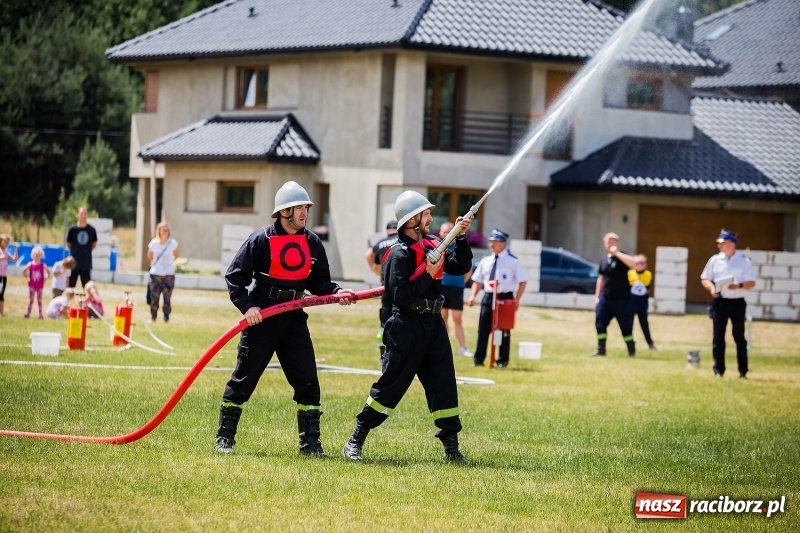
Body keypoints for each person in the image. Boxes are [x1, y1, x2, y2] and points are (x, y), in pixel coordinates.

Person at [214, 181, 356, 457]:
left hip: (294, 319)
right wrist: (248, 308)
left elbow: (320, 283)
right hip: (263, 318)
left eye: (306, 207)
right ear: (284, 212)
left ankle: (310, 445)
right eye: (299, 207)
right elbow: (235, 277)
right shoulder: (260, 240)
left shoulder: (312, 242)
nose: (304, 213)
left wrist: (337, 291)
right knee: (243, 380)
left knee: (307, 381)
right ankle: (224, 439)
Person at [342, 191, 473, 463]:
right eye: (426, 214)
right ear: (412, 219)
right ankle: (356, 438)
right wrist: (428, 274)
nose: (430, 218)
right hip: (407, 326)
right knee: (391, 385)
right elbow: (400, 296)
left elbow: (460, 266)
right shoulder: (398, 254)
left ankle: (451, 448)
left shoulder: (434, 244)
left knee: (444, 384)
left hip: (434, 326)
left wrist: (460, 238)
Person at [700, 229, 757, 379]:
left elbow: (751, 282)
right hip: (720, 302)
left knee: (739, 336)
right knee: (718, 337)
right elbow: (705, 278)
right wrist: (712, 288)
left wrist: (738, 285)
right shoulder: (715, 260)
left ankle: (743, 371)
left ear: (731, 244)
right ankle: (718, 370)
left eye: (722, 243)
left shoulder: (744, 261)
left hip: (737, 302)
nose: (719, 246)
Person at [467, 229, 528, 368]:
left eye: (494, 241)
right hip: (488, 297)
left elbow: (522, 281)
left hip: (505, 297)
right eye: (490, 241)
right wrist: (473, 295)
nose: (491, 244)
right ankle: (478, 359)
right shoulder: (486, 261)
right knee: (483, 329)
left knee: (503, 329)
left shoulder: (513, 261)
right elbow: (478, 281)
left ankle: (502, 360)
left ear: (503, 243)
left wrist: (516, 300)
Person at [591, 232, 638, 357]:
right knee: (600, 323)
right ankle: (601, 350)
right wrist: (597, 297)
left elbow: (635, 264)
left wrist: (617, 253)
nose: (610, 244)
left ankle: (631, 350)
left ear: (618, 243)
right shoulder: (603, 260)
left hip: (622, 299)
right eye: (608, 242)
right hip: (606, 298)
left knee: (625, 326)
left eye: (613, 242)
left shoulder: (623, 256)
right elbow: (600, 278)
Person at [365, 219, 398, 368]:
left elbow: (368, 254)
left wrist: (378, 273)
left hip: (385, 290)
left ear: (387, 231)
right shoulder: (404, 241)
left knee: (384, 324)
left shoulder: (380, 244)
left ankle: (383, 357)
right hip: (403, 288)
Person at [439, 221, 473, 358]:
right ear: (440, 233)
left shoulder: (459, 247)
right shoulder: (439, 247)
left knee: (457, 318)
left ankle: (463, 347)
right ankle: (443, 346)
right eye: (445, 232)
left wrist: (461, 282)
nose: (447, 234)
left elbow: (468, 270)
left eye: (449, 231)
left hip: (457, 288)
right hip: (442, 287)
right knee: (443, 318)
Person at [147, 222, 180, 323]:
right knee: (154, 297)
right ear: (159, 231)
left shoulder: (173, 243)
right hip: (156, 273)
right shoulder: (154, 243)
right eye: (163, 229)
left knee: (167, 298)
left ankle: (166, 317)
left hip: (168, 274)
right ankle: (153, 316)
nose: (165, 231)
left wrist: (168, 263)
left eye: (166, 230)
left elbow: (176, 255)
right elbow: (150, 255)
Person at [628, 254, 656, 350]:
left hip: (642, 303)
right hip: (630, 303)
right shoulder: (629, 273)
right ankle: (630, 343)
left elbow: (647, 287)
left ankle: (650, 343)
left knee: (644, 324)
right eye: (637, 263)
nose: (639, 265)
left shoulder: (648, 274)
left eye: (641, 263)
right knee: (629, 324)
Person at [66, 206, 98, 288]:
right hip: (73, 264)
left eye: (85, 214)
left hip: (86, 263)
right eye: (81, 214)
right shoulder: (72, 229)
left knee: (88, 288)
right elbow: (69, 244)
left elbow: (94, 245)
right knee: (70, 287)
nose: (83, 216)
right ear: (77, 215)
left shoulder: (91, 230)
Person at [22, 245, 50, 319]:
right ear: (33, 255)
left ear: (41, 256)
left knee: (39, 300)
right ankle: (28, 313)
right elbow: (23, 271)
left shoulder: (42, 265)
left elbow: (48, 272)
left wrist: (45, 278)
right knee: (31, 300)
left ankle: (40, 314)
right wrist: (27, 277)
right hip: (32, 285)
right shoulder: (30, 264)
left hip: (40, 285)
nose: (37, 256)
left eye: (38, 255)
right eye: (35, 255)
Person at [0, 233, 19, 318]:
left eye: (7, 242)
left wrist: (15, 250)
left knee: (1, 294)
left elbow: (15, 259)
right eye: (5, 241)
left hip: (3, 276)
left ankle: (1, 313)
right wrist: (2, 257)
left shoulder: (6, 252)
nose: (6, 243)